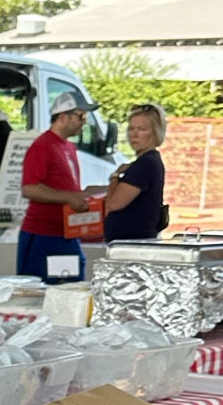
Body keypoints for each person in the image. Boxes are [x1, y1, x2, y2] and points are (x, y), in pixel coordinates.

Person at [17, 97, 92, 281]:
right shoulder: (43, 145)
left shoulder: (68, 147)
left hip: (66, 231)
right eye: (80, 116)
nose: (84, 122)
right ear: (62, 117)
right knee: (44, 292)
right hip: (43, 234)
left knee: (71, 288)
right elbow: (30, 188)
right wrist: (68, 197)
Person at [103, 103, 167, 242]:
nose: (134, 134)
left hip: (132, 241)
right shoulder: (145, 162)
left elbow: (114, 204)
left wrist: (115, 177)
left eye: (142, 129)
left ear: (155, 132)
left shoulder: (146, 164)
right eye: (131, 129)